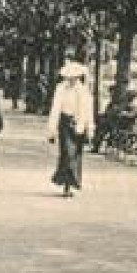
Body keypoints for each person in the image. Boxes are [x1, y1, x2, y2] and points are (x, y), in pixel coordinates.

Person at [45, 61, 94, 197]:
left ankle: (71, 184)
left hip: (79, 124)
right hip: (65, 123)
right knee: (67, 153)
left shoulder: (84, 91)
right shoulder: (60, 89)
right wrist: (51, 130)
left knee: (75, 155)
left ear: (78, 77)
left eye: (74, 77)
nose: (71, 80)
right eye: (69, 77)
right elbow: (55, 109)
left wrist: (90, 129)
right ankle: (66, 185)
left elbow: (88, 111)